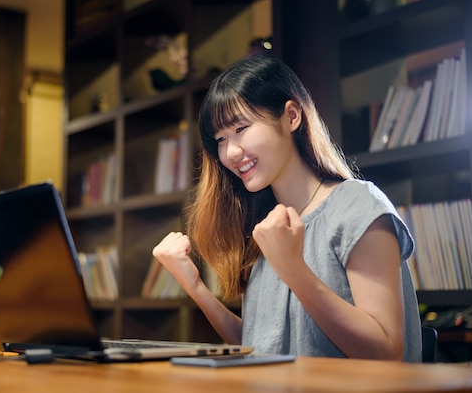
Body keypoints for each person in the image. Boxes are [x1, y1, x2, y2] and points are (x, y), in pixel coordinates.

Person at [152, 54, 422, 362]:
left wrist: (294, 269)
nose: (230, 152)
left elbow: (386, 352)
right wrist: (196, 288)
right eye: (221, 139)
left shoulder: (357, 207)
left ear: (291, 116)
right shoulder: (266, 226)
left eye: (241, 128)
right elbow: (262, 346)